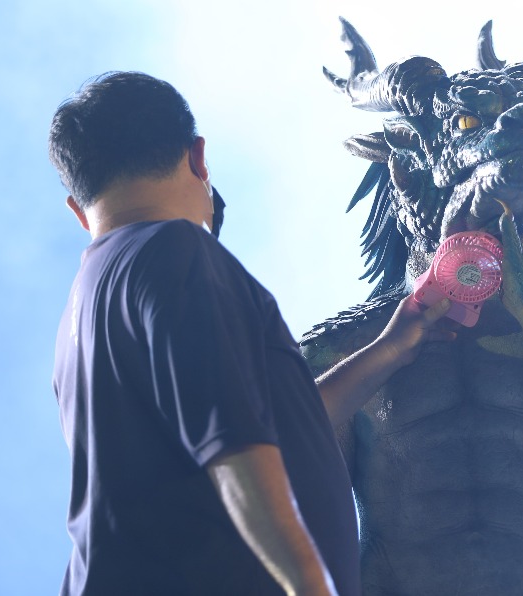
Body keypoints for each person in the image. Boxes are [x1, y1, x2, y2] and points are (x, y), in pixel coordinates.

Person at [48, 71, 453, 596]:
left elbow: (270, 425)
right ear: (198, 159)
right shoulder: (173, 252)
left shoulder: (82, 314)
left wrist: (390, 350)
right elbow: (234, 446)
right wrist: (311, 586)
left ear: (78, 211)